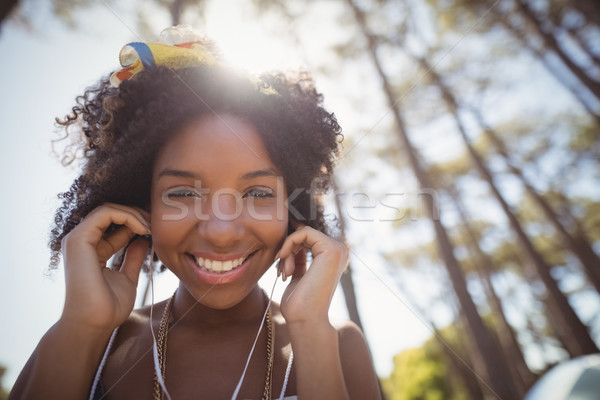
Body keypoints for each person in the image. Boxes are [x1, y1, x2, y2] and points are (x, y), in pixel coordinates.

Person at [9, 26, 381, 400]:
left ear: (291, 209)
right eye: (183, 193)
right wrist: (83, 329)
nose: (221, 232)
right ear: (141, 206)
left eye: (257, 193)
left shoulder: (336, 343)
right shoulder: (88, 340)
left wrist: (311, 333)